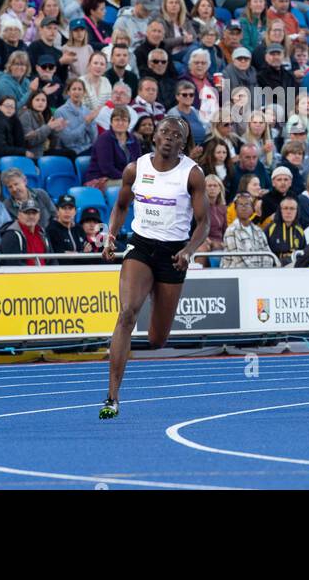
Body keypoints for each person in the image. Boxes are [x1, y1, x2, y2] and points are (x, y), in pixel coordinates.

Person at [99, 116, 208, 419]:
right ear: (155, 137)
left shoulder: (193, 175)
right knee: (127, 313)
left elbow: (204, 223)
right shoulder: (136, 169)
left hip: (174, 253)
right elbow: (120, 206)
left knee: (157, 339)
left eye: (176, 134)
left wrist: (188, 250)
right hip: (141, 246)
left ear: (183, 144)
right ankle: (112, 397)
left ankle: (136, 351)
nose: (169, 137)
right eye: (164, 132)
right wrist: (111, 237)